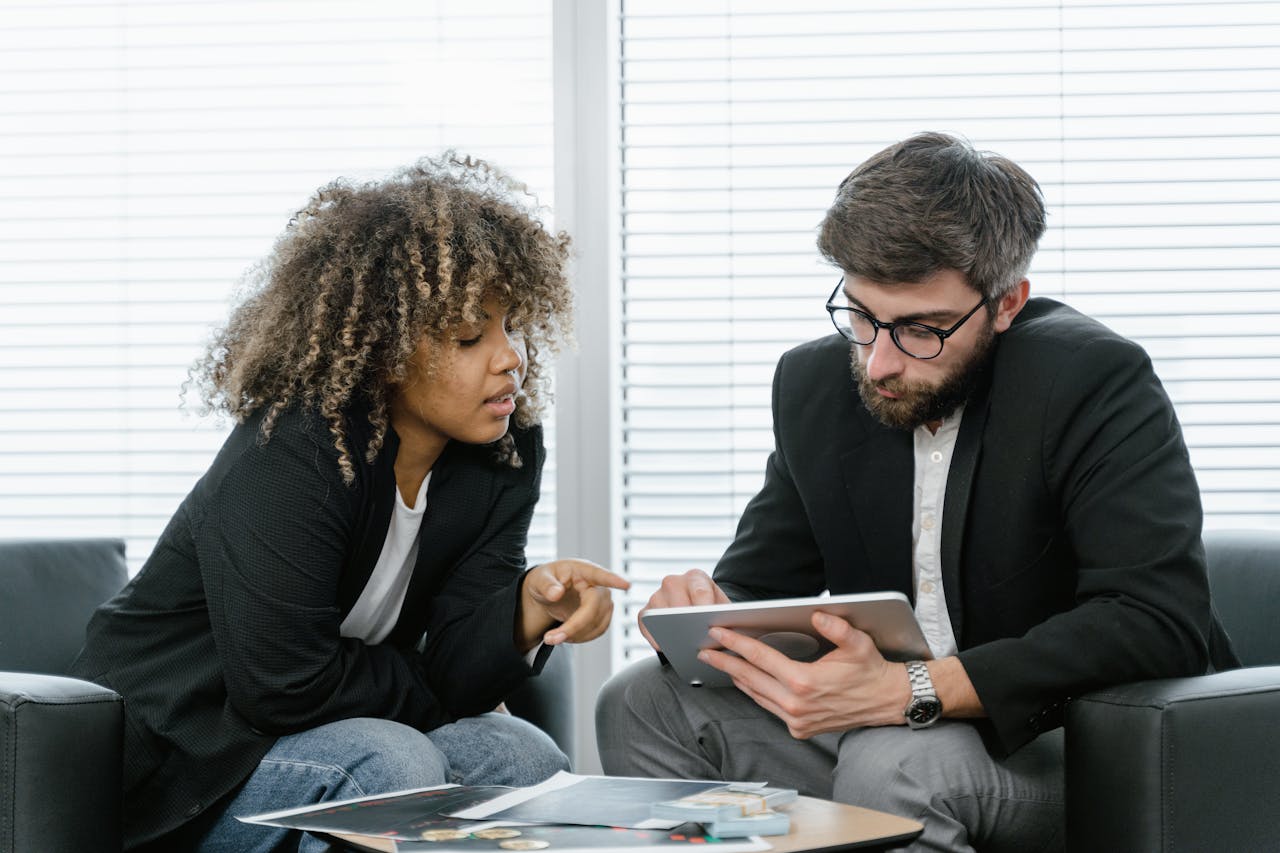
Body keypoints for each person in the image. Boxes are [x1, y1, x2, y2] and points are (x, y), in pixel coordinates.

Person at [595, 132, 1238, 852]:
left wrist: (915, 689)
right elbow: (761, 585)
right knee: (641, 701)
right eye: (863, 316)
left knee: (892, 759)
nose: (878, 362)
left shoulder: (1092, 380)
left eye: (921, 330)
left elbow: (1157, 618)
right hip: (888, 728)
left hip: (1083, 745)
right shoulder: (815, 387)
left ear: (1006, 303)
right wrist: (703, 615)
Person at [70, 153, 628, 853]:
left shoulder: (503, 452)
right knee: (392, 762)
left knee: (523, 754)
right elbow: (285, 687)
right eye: (468, 336)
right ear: (388, 352)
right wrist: (432, 680)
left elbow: (458, 661)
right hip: (190, 758)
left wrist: (521, 611)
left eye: (512, 325)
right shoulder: (295, 451)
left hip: (340, 729)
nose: (511, 356)